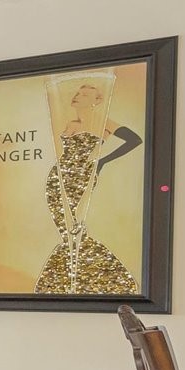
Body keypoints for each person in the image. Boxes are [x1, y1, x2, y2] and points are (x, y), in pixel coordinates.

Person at [35, 78, 139, 294]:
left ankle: (104, 278)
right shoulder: (71, 124)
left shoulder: (103, 122)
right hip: (58, 177)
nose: (77, 96)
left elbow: (133, 139)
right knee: (66, 229)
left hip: (82, 176)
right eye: (77, 93)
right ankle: (69, 281)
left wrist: (102, 161)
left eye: (84, 94)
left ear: (96, 100)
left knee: (74, 227)